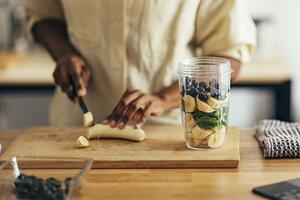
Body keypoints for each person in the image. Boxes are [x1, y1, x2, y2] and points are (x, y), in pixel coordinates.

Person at [24, 0, 256, 128]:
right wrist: (64, 54)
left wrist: (164, 99)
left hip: (168, 133)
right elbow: (43, 13)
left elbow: (228, 57)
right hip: (76, 125)